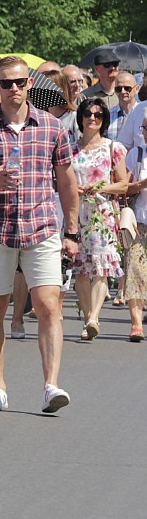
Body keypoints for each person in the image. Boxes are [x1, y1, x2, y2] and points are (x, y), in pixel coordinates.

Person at [0, 56, 79, 413]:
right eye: (7, 83)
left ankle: (51, 385)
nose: (14, 89)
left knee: (49, 305)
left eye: (20, 82)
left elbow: (68, 183)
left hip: (40, 226)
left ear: (30, 85)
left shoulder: (51, 127)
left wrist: (71, 230)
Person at [71, 98, 127, 340]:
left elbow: (123, 184)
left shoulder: (112, 147)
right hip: (76, 212)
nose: (92, 118)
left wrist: (101, 186)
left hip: (102, 213)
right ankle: (87, 319)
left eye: (98, 115)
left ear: (104, 119)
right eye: (87, 114)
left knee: (102, 268)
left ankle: (94, 317)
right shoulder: (70, 148)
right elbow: (61, 181)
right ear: (80, 117)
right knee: (81, 270)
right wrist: (75, 188)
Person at [121, 111, 147, 340]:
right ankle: (136, 324)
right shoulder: (136, 155)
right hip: (140, 221)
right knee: (135, 271)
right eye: (145, 129)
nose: (146, 134)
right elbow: (124, 188)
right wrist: (141, 184)